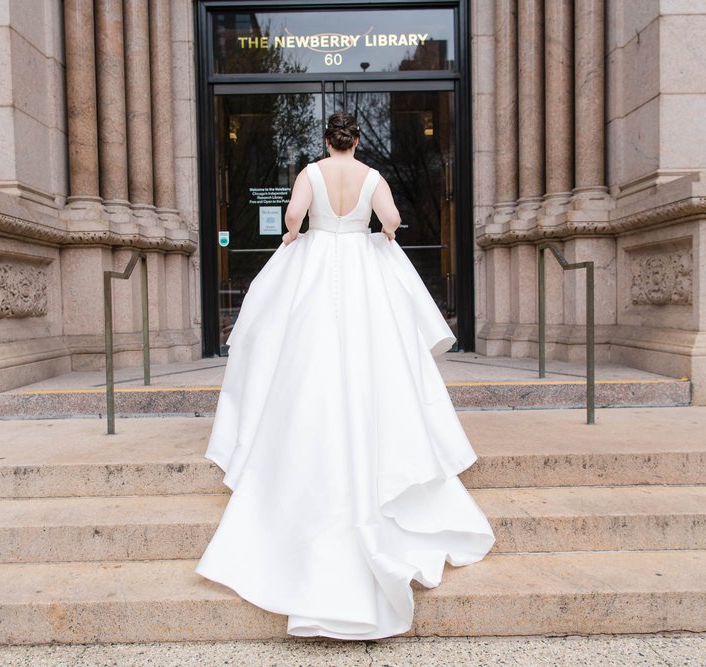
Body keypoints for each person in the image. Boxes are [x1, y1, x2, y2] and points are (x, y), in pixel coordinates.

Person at [195, 111, 495, 640]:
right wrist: (377, 233)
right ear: (355, 140)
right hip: (360, 264)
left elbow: (293, 222)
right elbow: (394, 221)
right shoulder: (373, 177)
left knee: (303, 353)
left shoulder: (310, 174)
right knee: (374, 353)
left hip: (317, 266)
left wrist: (299, 235)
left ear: (325, 140)